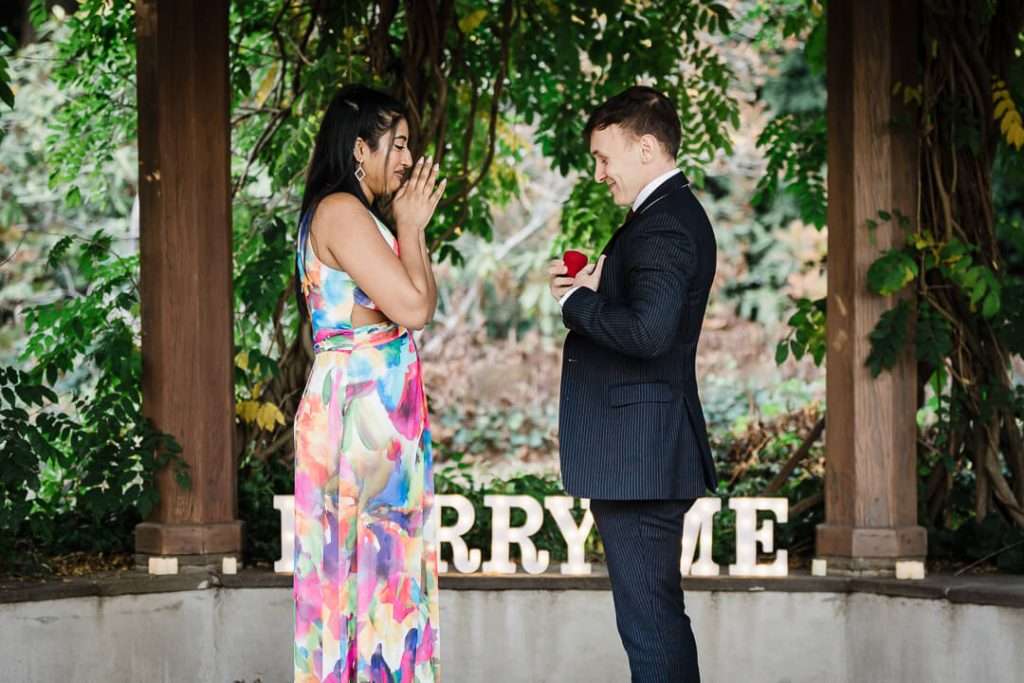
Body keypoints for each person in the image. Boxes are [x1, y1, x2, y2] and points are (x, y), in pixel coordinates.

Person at [548, 85, 719, 682]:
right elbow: (652, 319)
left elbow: (649, 333)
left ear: (645, 148)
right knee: (653, 622)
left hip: (641, 458)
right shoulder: (664, 216)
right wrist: (599, 291)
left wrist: (575, 303)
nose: (599, 173)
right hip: (641, 454)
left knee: (651, 628)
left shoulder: (663, 225)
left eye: (604, 157)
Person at [292, 84, 444, 682]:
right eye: (397, 144)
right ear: (360, 148)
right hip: (360, 418)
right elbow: (414, 307)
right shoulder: (341, 211)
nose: (407, 158)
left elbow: (419, 301)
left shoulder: (358, 215)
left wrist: (411, 229)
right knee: (371, 578)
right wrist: (409, 224)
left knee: (381, 575)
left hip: (373, 415)